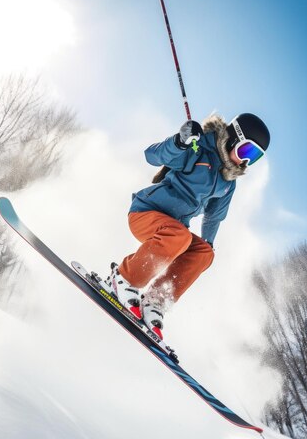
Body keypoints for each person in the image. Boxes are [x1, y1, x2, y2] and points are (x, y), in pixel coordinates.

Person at [105, 113, 270, 339]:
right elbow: (152, 155)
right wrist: (179, 142)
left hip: (174, 231)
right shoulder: (197, 149)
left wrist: (206, 246)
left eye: (255, 157)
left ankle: (156, 300)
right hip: (146, 212)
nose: (246, 161)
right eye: (247, 151)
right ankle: (124, 278)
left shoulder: (227, 182)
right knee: (179, 237)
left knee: (204, 253)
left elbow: (214, 217)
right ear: (233, 138)